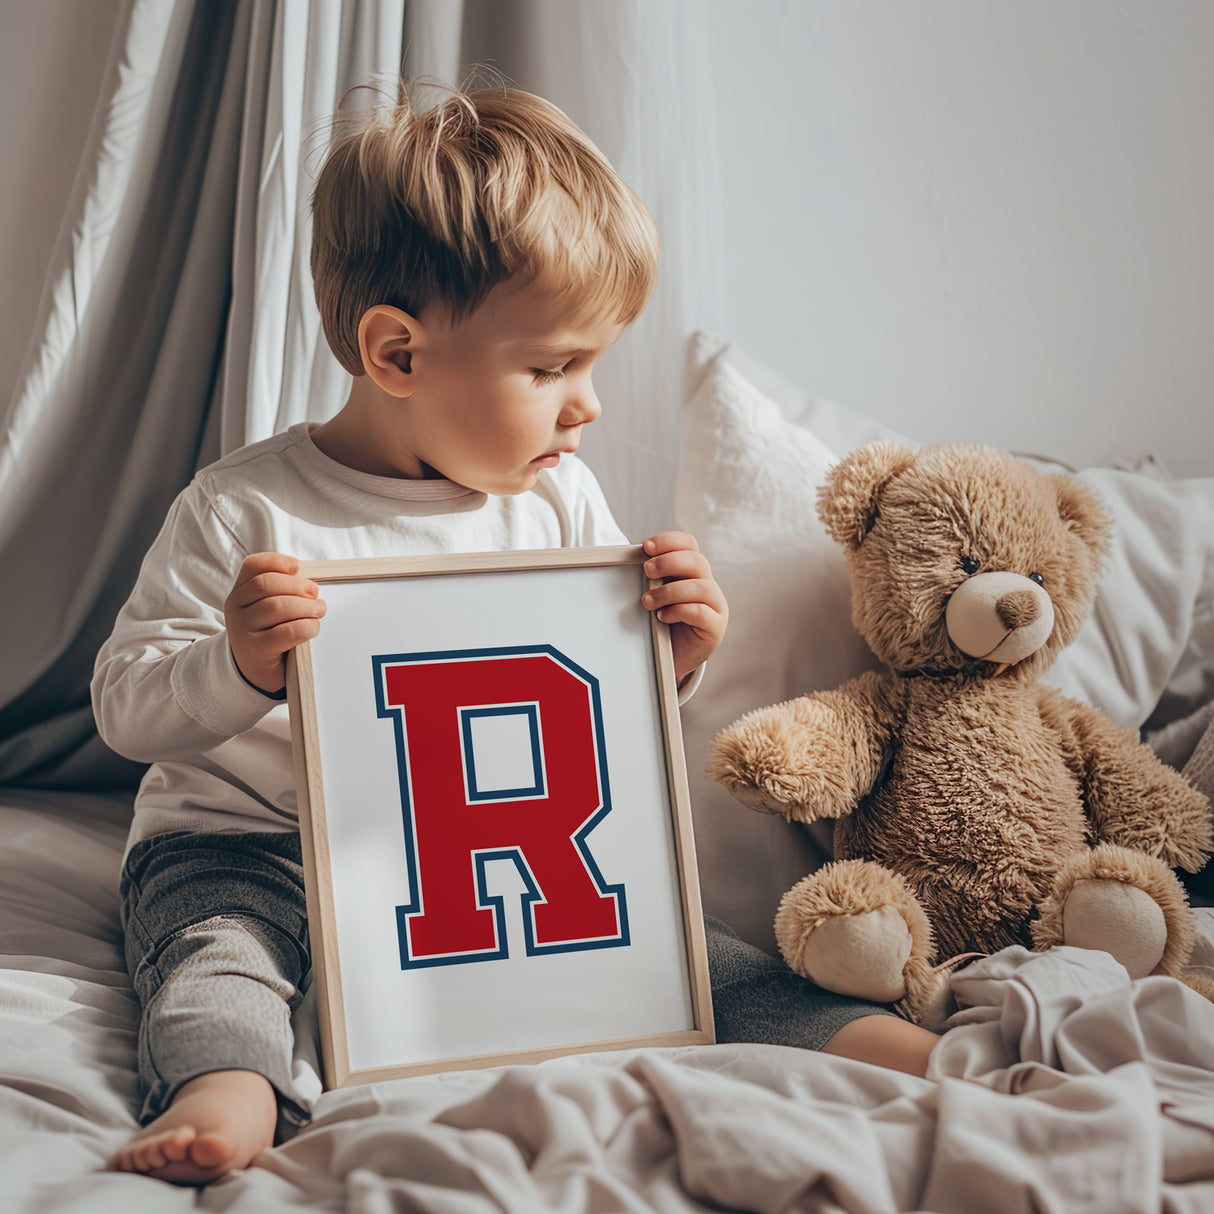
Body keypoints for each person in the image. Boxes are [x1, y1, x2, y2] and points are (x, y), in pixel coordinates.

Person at [92, 80, 931, 1187]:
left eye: (586, 363)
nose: (584, 405)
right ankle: (226, 1087)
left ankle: (876, 1043)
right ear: (395, 355)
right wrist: (237, 663)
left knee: (682, 954)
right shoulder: (246, 510)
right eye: (549, 368)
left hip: (473, 850)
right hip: (253, 846)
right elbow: (124, 705)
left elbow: (579, 705)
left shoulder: (557, 502)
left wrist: (664, 659)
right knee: (219, 960)